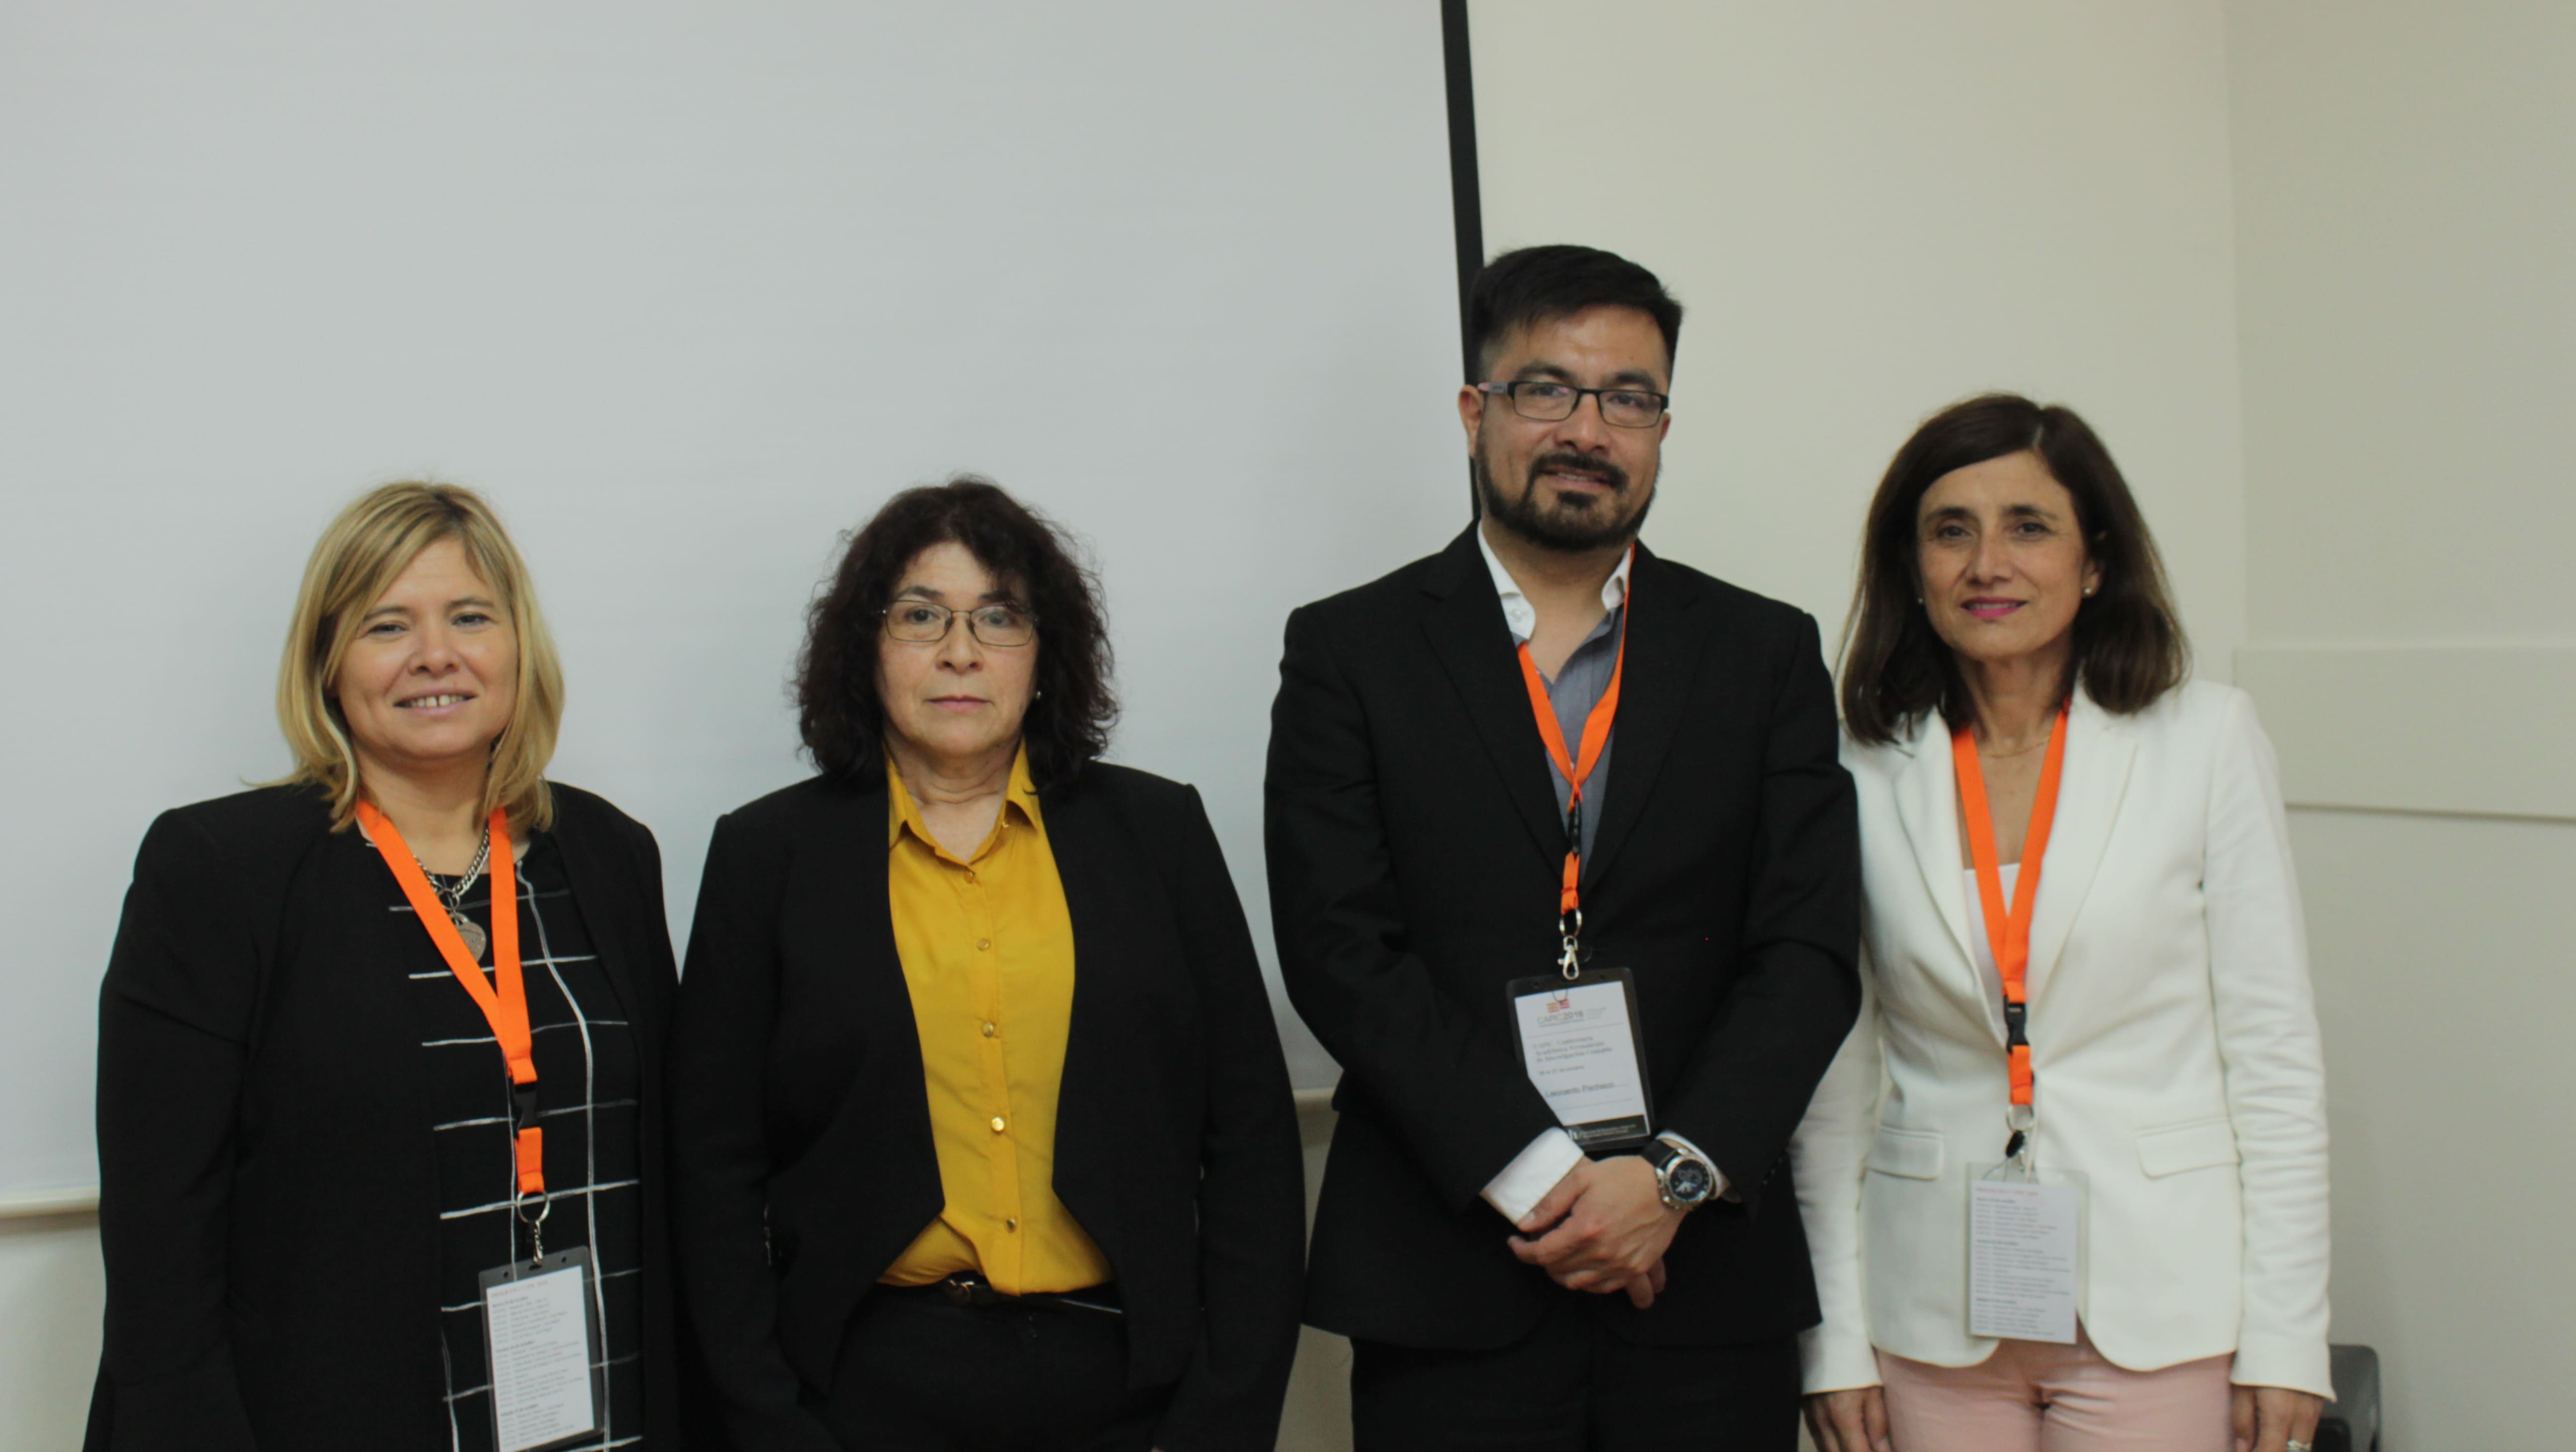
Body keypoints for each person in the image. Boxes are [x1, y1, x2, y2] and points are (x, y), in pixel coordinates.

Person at [1265, 244, 1862, 1450]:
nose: (1587, 430)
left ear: (1662, 429)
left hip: (1702, 1284)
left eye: (1627, 398)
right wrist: (1541, 1174)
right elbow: (1341, 951)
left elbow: (1807, 952)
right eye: (1547, 389)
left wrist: (1672, 1176)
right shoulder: (1351, 652)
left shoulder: (1763, 653)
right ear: (1475, 412)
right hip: (1451, 1282)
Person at [669, 478, 1305, 1452]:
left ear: (1047, 655)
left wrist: (1222, 1419)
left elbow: (1252, 1141)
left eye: (999, 616)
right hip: (861, 1396)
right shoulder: (768, 857)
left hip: (1131, 1390)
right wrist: (770, 1423)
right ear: (865, 649)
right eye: (921, 615)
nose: (960, 651)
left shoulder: (1158, 834)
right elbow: (712, 1171)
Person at [88, 481, 698, 1452]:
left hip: (602, 1408)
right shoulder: (220, 871)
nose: (436, 655)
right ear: (327, 663)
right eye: (387, 625)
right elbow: (160, 1234)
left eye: (471, 617)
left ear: (519, 646)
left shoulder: (609, 855)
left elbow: (672, 1165)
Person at [1792, 394, 2331, 1452]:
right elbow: (1834, 1081)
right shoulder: (1858, 766)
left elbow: (2275, 1060)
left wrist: (2286, 1337)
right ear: (1912, 566)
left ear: (2094, 564)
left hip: (2164, 1303)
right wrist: (1836, 1339)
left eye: (2029, 527)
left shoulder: (2207, 740)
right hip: (1928, 1311)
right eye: (1952, 530)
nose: (1987, 564)